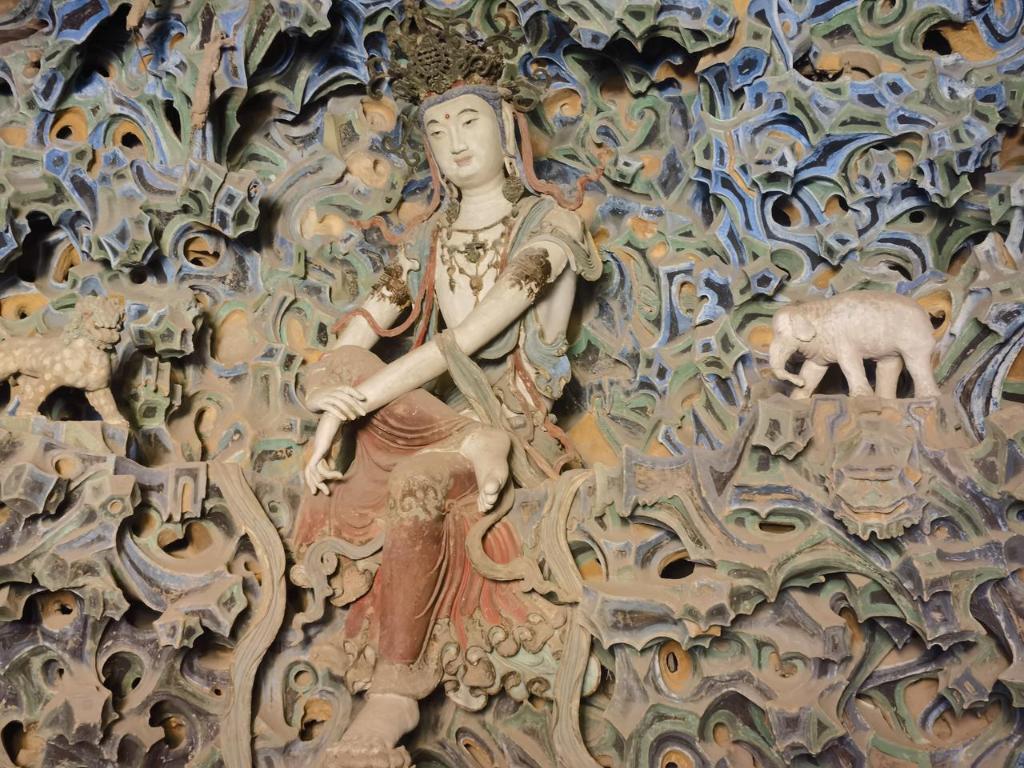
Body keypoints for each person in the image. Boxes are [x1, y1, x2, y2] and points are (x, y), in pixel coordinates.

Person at [292, 4, 600, 765]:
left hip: (513, 425)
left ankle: (394, 693)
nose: (454, 142)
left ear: (506, 131)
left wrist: (352, 408)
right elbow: (355, 337)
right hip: (439, 419)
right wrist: (325, 404)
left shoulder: (551, 231)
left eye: (469, 122)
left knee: (420, 482)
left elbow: (466, 339)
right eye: (436, 131)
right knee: (341, 366)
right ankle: (468, 438)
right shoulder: (427, 239)